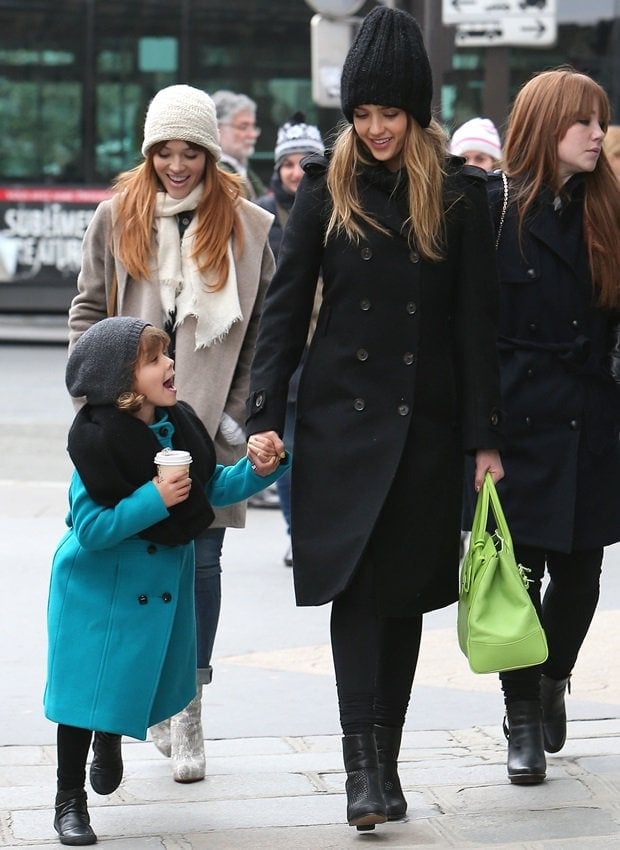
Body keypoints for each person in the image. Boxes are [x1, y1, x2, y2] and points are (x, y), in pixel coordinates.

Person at [245, 6, 504, 831]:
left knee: (400, 601)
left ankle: (384, 761)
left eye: (389, 113)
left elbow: (474, 328)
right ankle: (362, 770)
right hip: (338, 430)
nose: (377, 128)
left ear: (416, 113)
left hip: (424, 431)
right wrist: (263, 411)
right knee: (356, 598)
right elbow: (283, 314)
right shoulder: (326, 193)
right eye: (363, 114)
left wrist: (484, 439)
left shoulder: (459, 201)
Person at [67, 84, 275, 784]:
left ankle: (186, 707)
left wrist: (234, 415)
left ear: (212, 155)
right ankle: (123, 708)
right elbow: (89, 311)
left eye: (191, 153)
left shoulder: (250, 227)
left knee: (203, 560)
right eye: (165, 152)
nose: (177, 166)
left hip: (210, 426)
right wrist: (95, 402)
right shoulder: (114, 216)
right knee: (130, 558)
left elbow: (265, 334)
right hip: (126, 426)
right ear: (149, 151)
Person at [46, 317, 288, 846]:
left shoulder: (179, 424)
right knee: (81, 696)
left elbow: (213, 486)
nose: (171, 364)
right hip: (96, 587)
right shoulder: (97, 442)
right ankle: (69, 801)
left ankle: (109, 736)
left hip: (154, 588)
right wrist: (154, 497)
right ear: (123, 383)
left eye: (167, 355)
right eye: (155, 359)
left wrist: (262, 467)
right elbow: (91, 529)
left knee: (127, 681)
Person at [484, 68, 620, 786]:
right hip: (516, 418)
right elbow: (468, 335)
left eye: (601, 121)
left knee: (582, 575)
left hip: (590, 414)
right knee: (516, 574)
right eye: (584, 122)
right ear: (545, 128)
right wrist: (479, 434)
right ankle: (523, 718)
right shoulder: (492, 209)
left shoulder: (610, 209)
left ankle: (551, 677)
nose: (598, 134)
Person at [255, 112, 325, 561]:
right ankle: (297, 533)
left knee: (321, 454)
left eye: (305, 162)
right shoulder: (261, 216)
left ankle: (316, 530)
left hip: (326, 350)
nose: (295, 171)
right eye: (287, 163)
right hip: (284, 353)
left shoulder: (333, 205)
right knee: (287, 452)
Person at [211, 89, 266, 200]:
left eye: (253, 126)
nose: (253, 134)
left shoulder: (243, 168)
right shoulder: (215, 173)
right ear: (218, 129)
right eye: (243, 127)